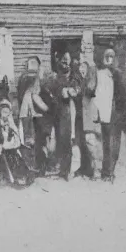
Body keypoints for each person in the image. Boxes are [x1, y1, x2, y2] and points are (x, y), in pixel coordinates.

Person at [87, 48, 126, 182]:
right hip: (104, 113)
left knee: (114, 143)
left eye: (112, 56)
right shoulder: (98, 74)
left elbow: (123, 94)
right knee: (106, 143)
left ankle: (110, 171)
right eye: (107, 56)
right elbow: (92, 92)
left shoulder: (118, 74)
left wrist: (121, 111)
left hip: (116, 113)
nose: (109, 59)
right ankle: (106, 171)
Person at [39, 51, 75, 181]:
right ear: (57, 60)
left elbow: (75, 88)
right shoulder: (54, 75)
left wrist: (69, 91)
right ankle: (58, 168)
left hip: (67, 109)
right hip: (54, 110)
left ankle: (66, 171)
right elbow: (47, 87)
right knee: (56, 139)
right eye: (63, 60)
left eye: (68, 60)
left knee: (66, 139)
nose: (66, 62)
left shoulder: (73, 75)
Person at [0, 99, 32, 187]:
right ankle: (9, 177)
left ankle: (21, 176)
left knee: (16, 156)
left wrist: (13, 142)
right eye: (3, 111)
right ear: (0, 111)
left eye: (7, 112)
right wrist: (0, 143)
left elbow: (16, 135)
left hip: (10, 146)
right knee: (4, 157)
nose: (5, 113)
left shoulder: (11, 123)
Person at [72, 60, 96, 179]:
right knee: (78, 143)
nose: (82, 70)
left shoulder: (91, 80)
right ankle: (80, 169)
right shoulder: (76, 80)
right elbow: (76, 93)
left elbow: (90, 92)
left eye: (84, 67)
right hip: (78, 116)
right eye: (80, 67)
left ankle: (91, 169)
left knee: (89, 143)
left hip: (88, 116)